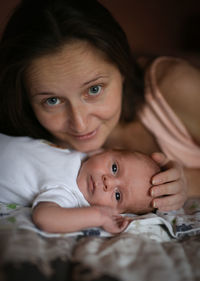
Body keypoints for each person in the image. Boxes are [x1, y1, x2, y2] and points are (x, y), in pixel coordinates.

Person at [0, 0, 196, 212]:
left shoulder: (174, 85)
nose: (80, 124)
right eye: (52, 101)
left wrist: (186, 182)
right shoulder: (35, 150)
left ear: (122, 68)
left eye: (94, 89)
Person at [0, 133, 160, 234]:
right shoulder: (84, 154)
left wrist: (100, 216)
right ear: (106, 151)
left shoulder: (70, 194)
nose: (108, 182)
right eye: (114, 168)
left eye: (117, 195)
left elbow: (44, 218)